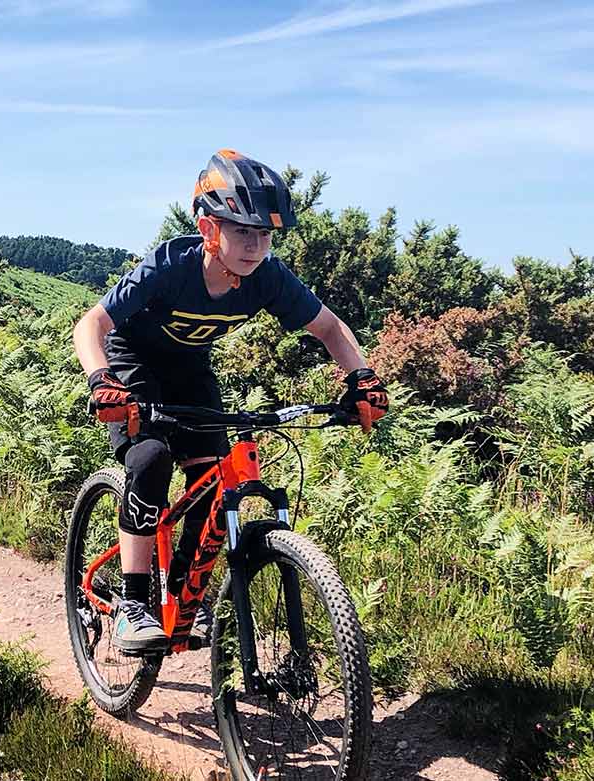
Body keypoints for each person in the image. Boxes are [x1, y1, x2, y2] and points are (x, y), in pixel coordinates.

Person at [71, 149, 389, 655]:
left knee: (214, 480)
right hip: (131, 362)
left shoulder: (267, 277)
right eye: (241, 231)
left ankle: (177, 595)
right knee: (151, 459)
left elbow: (329, 328)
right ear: (207, 228)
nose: (255, 244)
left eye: (264, 234)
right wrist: (102, 382)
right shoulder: (170, 267)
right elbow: (92, 325)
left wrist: (362, 378)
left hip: (190, 369)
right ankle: (133, 604)